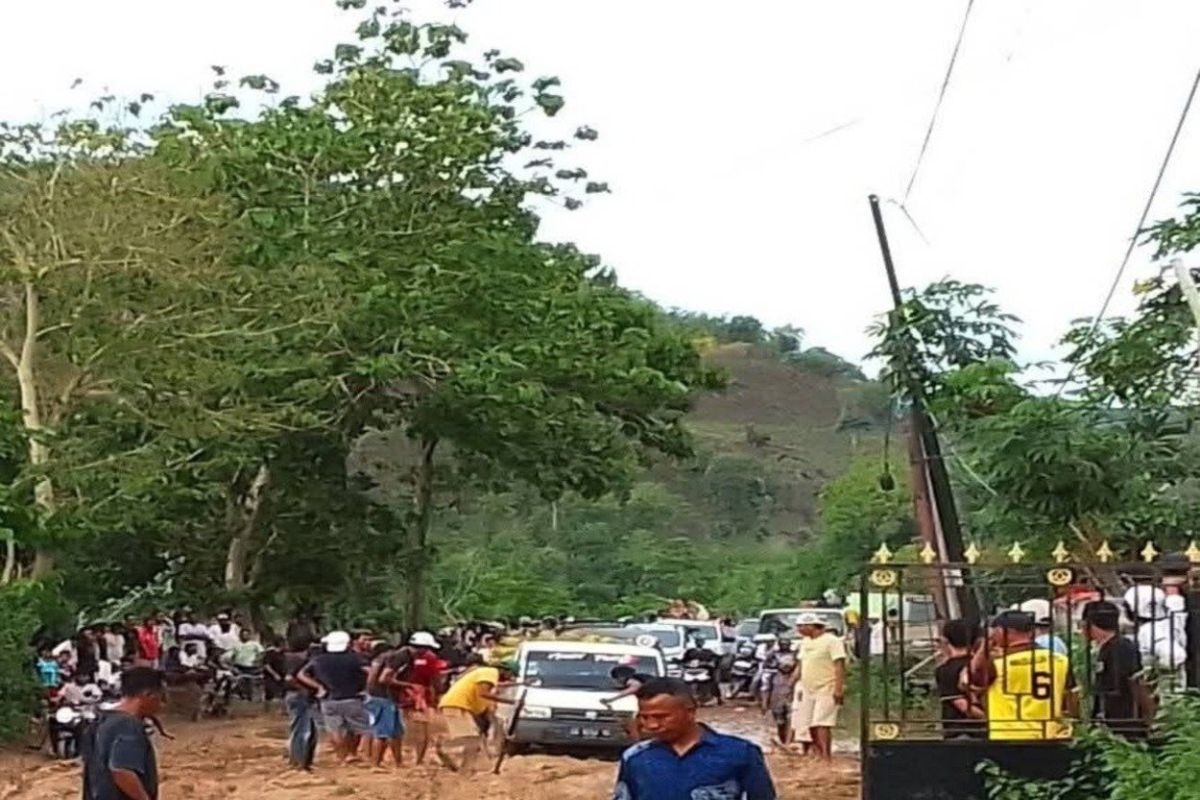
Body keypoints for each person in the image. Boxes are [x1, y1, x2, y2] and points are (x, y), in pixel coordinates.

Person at [613, 678, 776, 800]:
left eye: (660, 717)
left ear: (690, 712)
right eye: (644, 717)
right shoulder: (636, 758)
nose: (652, 725)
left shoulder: (740, 753)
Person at [970, 610, 1076, 741]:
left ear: (1001, 632)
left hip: (1010, 736)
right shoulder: (1059, 660)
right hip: (1052, 734)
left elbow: (971, 680)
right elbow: (1071, 698)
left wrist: (985, 645)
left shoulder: (998, 664)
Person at [82, 667, 164, 800]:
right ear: (148, 695)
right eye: (160, 698)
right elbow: (122, 771)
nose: (161, 705)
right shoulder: (128, 725)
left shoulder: (102, 720)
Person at [1082, 601, 1155, 738]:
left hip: (1126, 723)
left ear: (1090, 624)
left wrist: (1148, 718)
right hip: (1112, 722)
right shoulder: (1106, 648)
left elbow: (1136, 682)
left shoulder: (1121, 647)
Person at [296, 630, 369, 764]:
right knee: (356, 728)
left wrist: (318, 687)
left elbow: (301, 674)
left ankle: (341, 757)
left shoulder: (319, 659)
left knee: (334, 730)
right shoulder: (355, 658)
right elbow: (369, 672)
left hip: (329, 699)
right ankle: (352, 753)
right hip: (352, 697)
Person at [435, 659, 513, 772]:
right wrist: (510, 701)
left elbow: (497, 686)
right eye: (510, 675)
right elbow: (483, 693)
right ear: (505, 671)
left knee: (473, 739)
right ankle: (445, 747)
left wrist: (520, 684)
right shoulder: (490, 672)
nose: (510, 678)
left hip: (459, 706)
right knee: (470, 739)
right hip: (457, 705)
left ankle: (466, 769)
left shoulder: (486, 676)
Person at [792, 612, 846, 759]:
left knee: (821, 723)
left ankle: (826, 756)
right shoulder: (805, 642)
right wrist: (791, 683)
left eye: (802, 626)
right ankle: (817, 753)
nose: (799, 629)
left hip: (827, 687)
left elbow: (839, 665)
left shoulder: (832, 641)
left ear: (813, 626)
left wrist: (838, 688)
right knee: (807, 723)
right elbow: (801, 664)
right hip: (808, 688)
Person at [394, 631, 447, 765]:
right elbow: (435, 679)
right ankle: (419, 759)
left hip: (401, 694)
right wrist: (438, 695)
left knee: (402, 728)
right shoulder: (430, 658)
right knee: (423, 729)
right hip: (422, 696)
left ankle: (399, 757)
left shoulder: (401, 656)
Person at [935, 620, 984, 739]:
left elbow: (962, 705)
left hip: (960, 730)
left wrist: (986, 717)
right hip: (988, 729)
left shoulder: (946, 670)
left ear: (946, 640)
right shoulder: (985, 665)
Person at [283, 637, 319, 771]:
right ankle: (298, 761)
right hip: (299, 696)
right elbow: (289, 678)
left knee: (307, 730)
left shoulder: (290, 658)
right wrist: (304, 689)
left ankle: (302, 761)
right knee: (302, 730)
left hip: (298, 696)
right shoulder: (299, 659)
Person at [766, 656, 795, 745]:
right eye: (784, 666)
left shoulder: (795, 676)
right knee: (780, 724)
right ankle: (783, 741)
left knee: (791, 722)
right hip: (777, 703)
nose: (786, 668)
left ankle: (788, 742)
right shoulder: (773, 676)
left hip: (791, 701)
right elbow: (767, 689)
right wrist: (765, 703)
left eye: (788, 666)